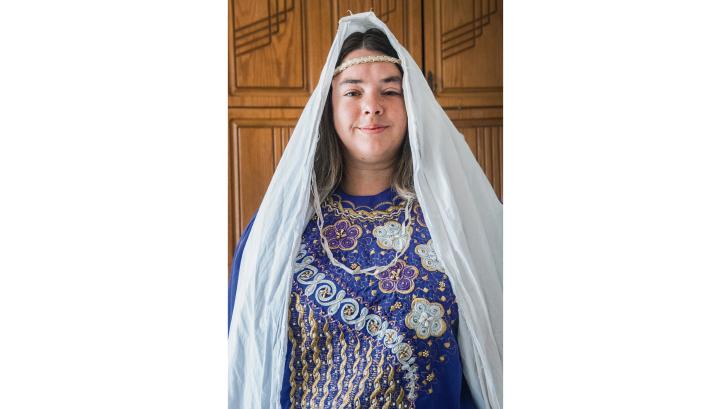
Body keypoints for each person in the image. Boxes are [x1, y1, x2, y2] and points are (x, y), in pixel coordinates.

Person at [229, 12, 502, 409]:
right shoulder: (277, 231)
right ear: (328, 109)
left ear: (413, 106)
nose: (372, 106)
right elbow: (245, 361)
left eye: (390, 91)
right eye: (353, 92)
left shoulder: (457, 222)